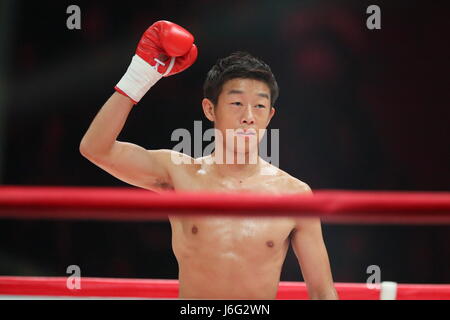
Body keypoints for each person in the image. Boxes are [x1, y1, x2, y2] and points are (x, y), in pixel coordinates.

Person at [79, 20, 338, 299]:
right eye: (236, 103)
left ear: (270, 116)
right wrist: (140, 75)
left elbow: (323, 292)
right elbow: (96, 148)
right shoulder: (178, 173)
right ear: (210, 109)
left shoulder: (295, 195)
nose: (248, 116)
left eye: (260, 105)